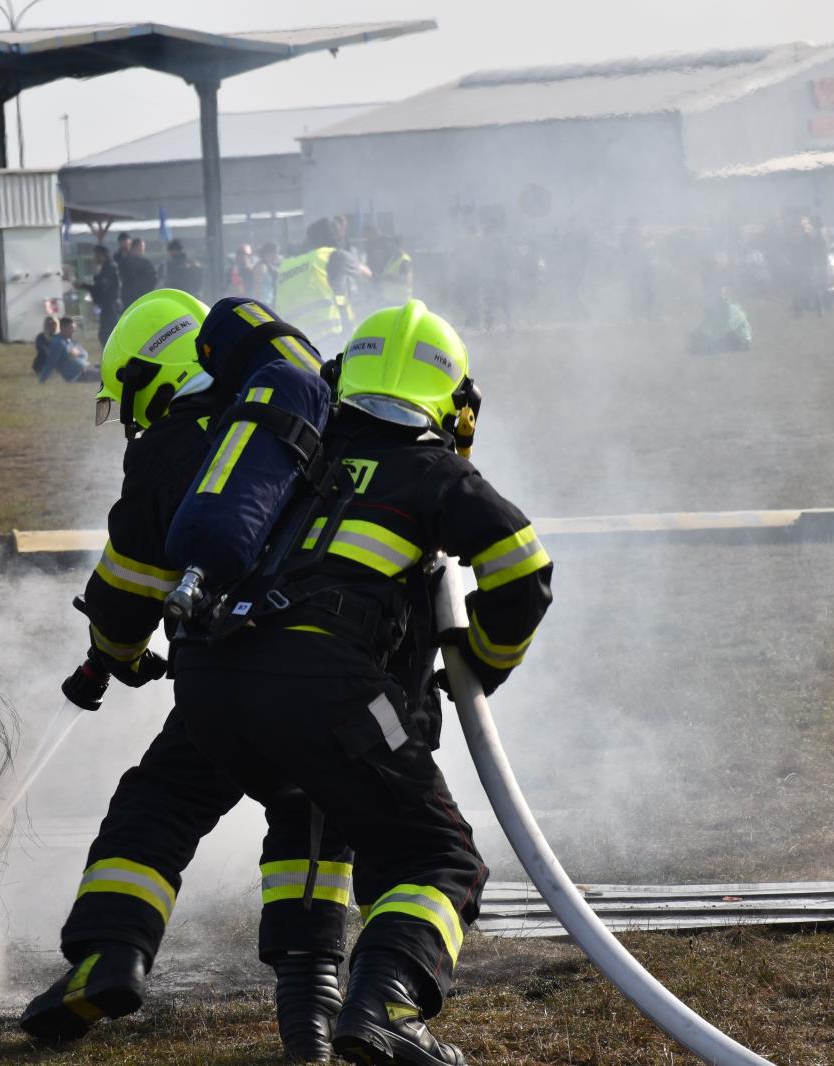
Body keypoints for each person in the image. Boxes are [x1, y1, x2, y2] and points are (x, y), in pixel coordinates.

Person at [173, 299, 553, 1066]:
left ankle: (307, 1020)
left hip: (213, 682)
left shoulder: (298, 448)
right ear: (451, 402)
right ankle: (387, 1006)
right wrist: (483, 656)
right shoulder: (434, 468)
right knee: (438, 858)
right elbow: (522, 569)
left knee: (310, 808)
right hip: (325, 688)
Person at [20, 292, 354, 1063]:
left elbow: (125, 588)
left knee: (160, 804)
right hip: (333, 671)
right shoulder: (299, 419)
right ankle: (309, 1011)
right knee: (311, 814)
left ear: (153, 379)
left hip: (226, 681)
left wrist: (116, 654)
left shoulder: (168, 448)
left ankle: (110, 953)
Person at [277, 217, 369, 352]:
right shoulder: (334, 256)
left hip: (295, 343)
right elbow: (367, 275)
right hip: (331, 335)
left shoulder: (286, 266)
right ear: (334, 238)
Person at [688, 286, 752, 355]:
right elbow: (713, 320)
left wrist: (708, 340)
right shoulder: (724, 306)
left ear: (727, 296)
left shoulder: (732, 309)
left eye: (721, 294)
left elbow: (726, 328)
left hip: (740, 341)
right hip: (732, 336)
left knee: (712, 343)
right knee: (705, 337)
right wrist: (700, 330)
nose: (718, 297)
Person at [36, 316, 92, 383]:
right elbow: (51, 363)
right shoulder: (58, 343)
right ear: (64, 328)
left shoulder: (70, 340)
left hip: (85, 369)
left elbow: (84, 354)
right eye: (71, 327)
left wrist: (79, 355)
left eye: (73, 327)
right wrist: (41, 380)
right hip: (77, 375)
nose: (74, 330)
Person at [86, 245, 123, 344]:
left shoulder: (110, 268)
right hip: (107, 307)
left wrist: (84, 286)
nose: (95, 258)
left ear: (102, 255)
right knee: (105, 335)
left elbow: (101, 287)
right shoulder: (104, 268)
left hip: (111, 306)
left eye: (96, 255)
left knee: (108, 335)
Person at [118, 237, 158, 310]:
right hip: (143, 299)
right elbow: (153, 280)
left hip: (128, 300)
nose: (143, 250)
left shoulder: (124, 262)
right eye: (142, 248)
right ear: (137, 248)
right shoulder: (145, 263)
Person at [375, 234, 414, 308]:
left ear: (399, 246)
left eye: (392, 245)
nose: (390, 247)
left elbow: (406, 280)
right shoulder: (393, 258)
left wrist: (386, 277)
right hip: (390, 299)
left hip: (401, 300)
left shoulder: (405, 261)